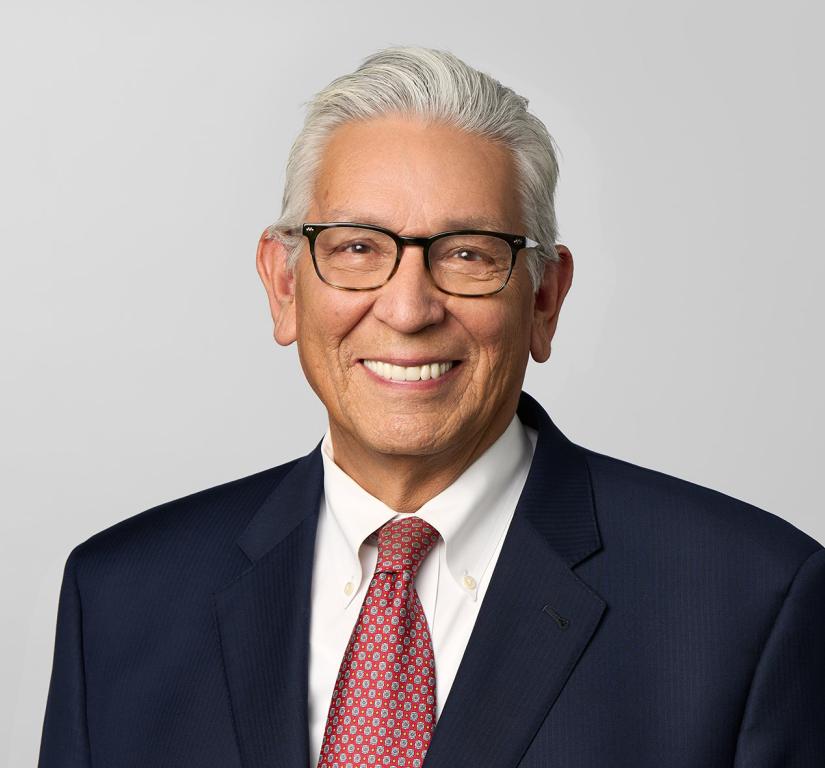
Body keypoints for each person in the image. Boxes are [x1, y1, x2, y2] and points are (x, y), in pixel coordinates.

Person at [39, 47, 824, 768]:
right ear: (283, 286)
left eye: (468, 254)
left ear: (544, 298)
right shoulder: (120, 599)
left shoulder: (747, 602)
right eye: (354, 247)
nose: (408, 309)